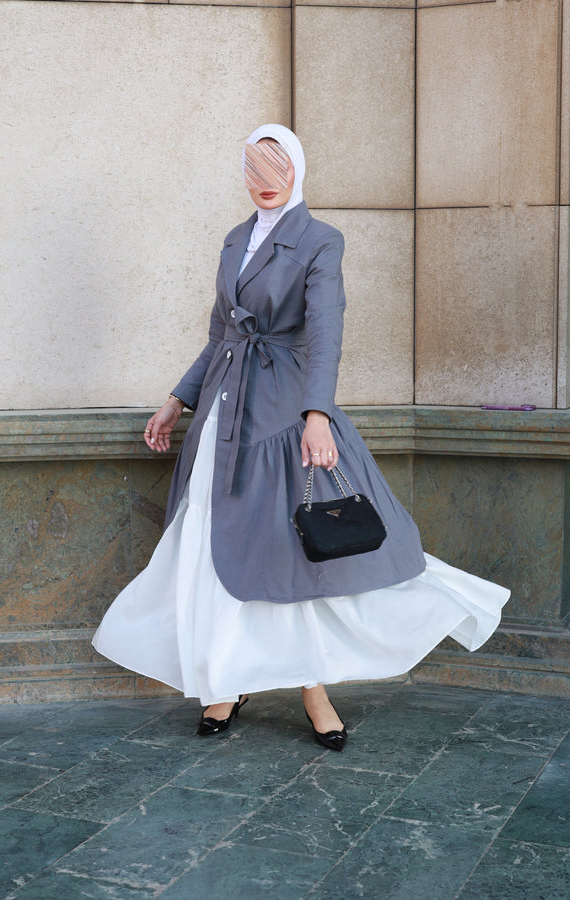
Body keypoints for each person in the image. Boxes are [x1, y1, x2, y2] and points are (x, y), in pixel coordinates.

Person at [92, 124, 510, 752]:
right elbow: (220, 336)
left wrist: (317, 415)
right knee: (213, 550)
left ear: (296, 171)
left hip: (282, 414)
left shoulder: (320, 240)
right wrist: (178, 400)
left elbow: (326, 334)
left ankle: (314, 691)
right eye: (254, 172)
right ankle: (227, 681)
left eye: (277, 171)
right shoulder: (234, 240)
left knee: (289, 557)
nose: (265, 184)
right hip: (222, 416)